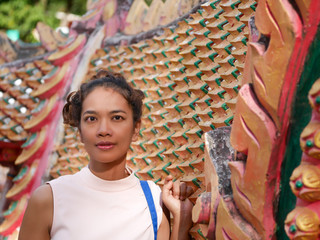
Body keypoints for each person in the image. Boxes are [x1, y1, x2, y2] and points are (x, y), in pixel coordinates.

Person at [18, 70, 194, 240]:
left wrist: (182, 219)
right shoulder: (49, 199)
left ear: (136, 128)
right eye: (91, 119)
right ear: (80, 131)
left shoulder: (154, 200)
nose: (103, 130)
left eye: (117, 117)